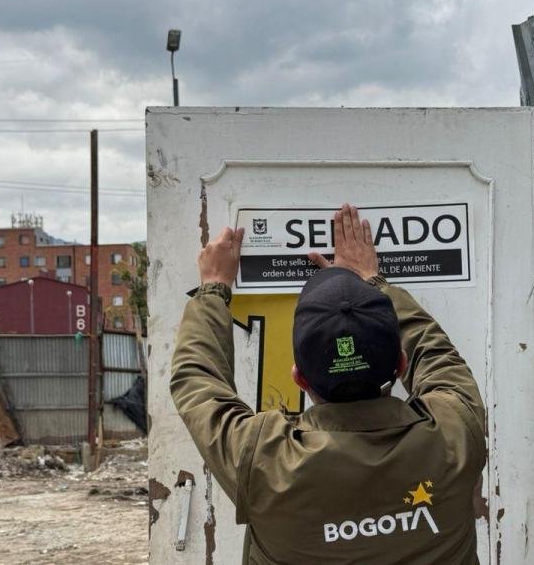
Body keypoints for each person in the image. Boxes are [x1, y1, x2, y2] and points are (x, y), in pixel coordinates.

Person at [172, 204, 487, 564]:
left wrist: (213, 289)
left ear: (299, 377)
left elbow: (197, 382)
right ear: (400, 365)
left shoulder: (265, 460)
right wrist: (373, 282)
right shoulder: (455, 431)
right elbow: (438, 357)